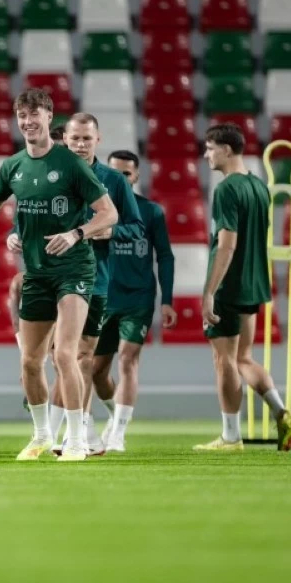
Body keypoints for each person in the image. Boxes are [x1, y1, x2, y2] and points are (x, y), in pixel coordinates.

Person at [0, 88, 118, 462]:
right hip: (36, 272)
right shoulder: (13, 166)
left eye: (34, 114)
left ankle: (76, 440)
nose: (28, 122)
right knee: (29, 360)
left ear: (48, 116)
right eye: (22, 115)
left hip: (74, 269)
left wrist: (76, 234)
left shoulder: (71, 164)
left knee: (66, 354)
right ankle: (41, 436)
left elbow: (109, 213)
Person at [43, 114, 144, 454]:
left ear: (97, 140)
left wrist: (109, 231)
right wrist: (15, 234)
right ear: (65, 139)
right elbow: (29, 215)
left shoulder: (114, 180)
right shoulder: (49, 174)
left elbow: (136, 228)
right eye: (75, 138)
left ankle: (77, 432)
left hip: (94, 280)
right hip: (51, 277)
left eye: (87, 138)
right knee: (59, 357)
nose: (81, 144)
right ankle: (65, 431)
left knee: (82, 356)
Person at [195, 124, 291, 452]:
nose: (206, 155)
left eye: (210, 148)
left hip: (229, 285)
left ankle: (231, 436)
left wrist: (209, 292)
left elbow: (227, 245)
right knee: (243, 358)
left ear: (226, 149)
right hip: (254, 283)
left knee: (223, 360)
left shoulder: (226, 189)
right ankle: (281, 411)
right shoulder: (258, 186)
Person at [92, 150, 177, 452]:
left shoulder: (151, 212)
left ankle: (117, 434)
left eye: (126, 173)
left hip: (137, 298)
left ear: (137, 176)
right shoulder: (95, 212)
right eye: (115, 173)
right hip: (102, 297)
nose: (121, 178)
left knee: (128, 359)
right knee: (96, 370)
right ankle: (114, 415)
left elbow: (165, 256)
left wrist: (167, 299)